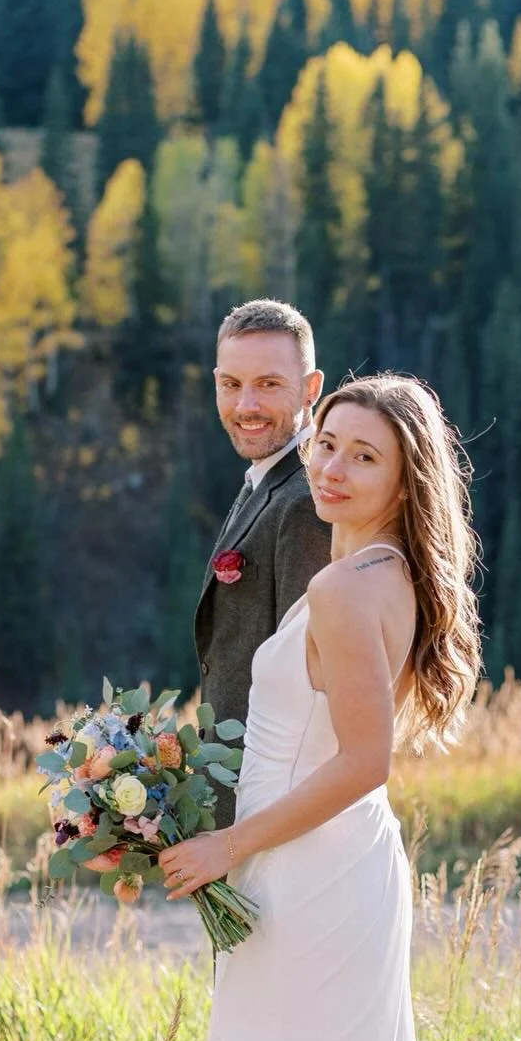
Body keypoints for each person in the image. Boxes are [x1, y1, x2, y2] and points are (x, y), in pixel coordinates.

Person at [160, 373, 521, 1041]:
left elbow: (365, 763)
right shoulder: (374, 571)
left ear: (404, 477)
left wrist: (229, 844)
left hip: (308, 878)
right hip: (320, 873)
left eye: (362, 455)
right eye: (326, 445)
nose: (329, 466)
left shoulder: (348, 590)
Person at [194, 299, 333, 828]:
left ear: (311, 388)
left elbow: (310, 684)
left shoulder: (306, 502)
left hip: (272, 808)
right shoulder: (265, 481)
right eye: (231, 384)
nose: (245, 404)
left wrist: (248, 835)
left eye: (269, 385)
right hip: (237, 801)